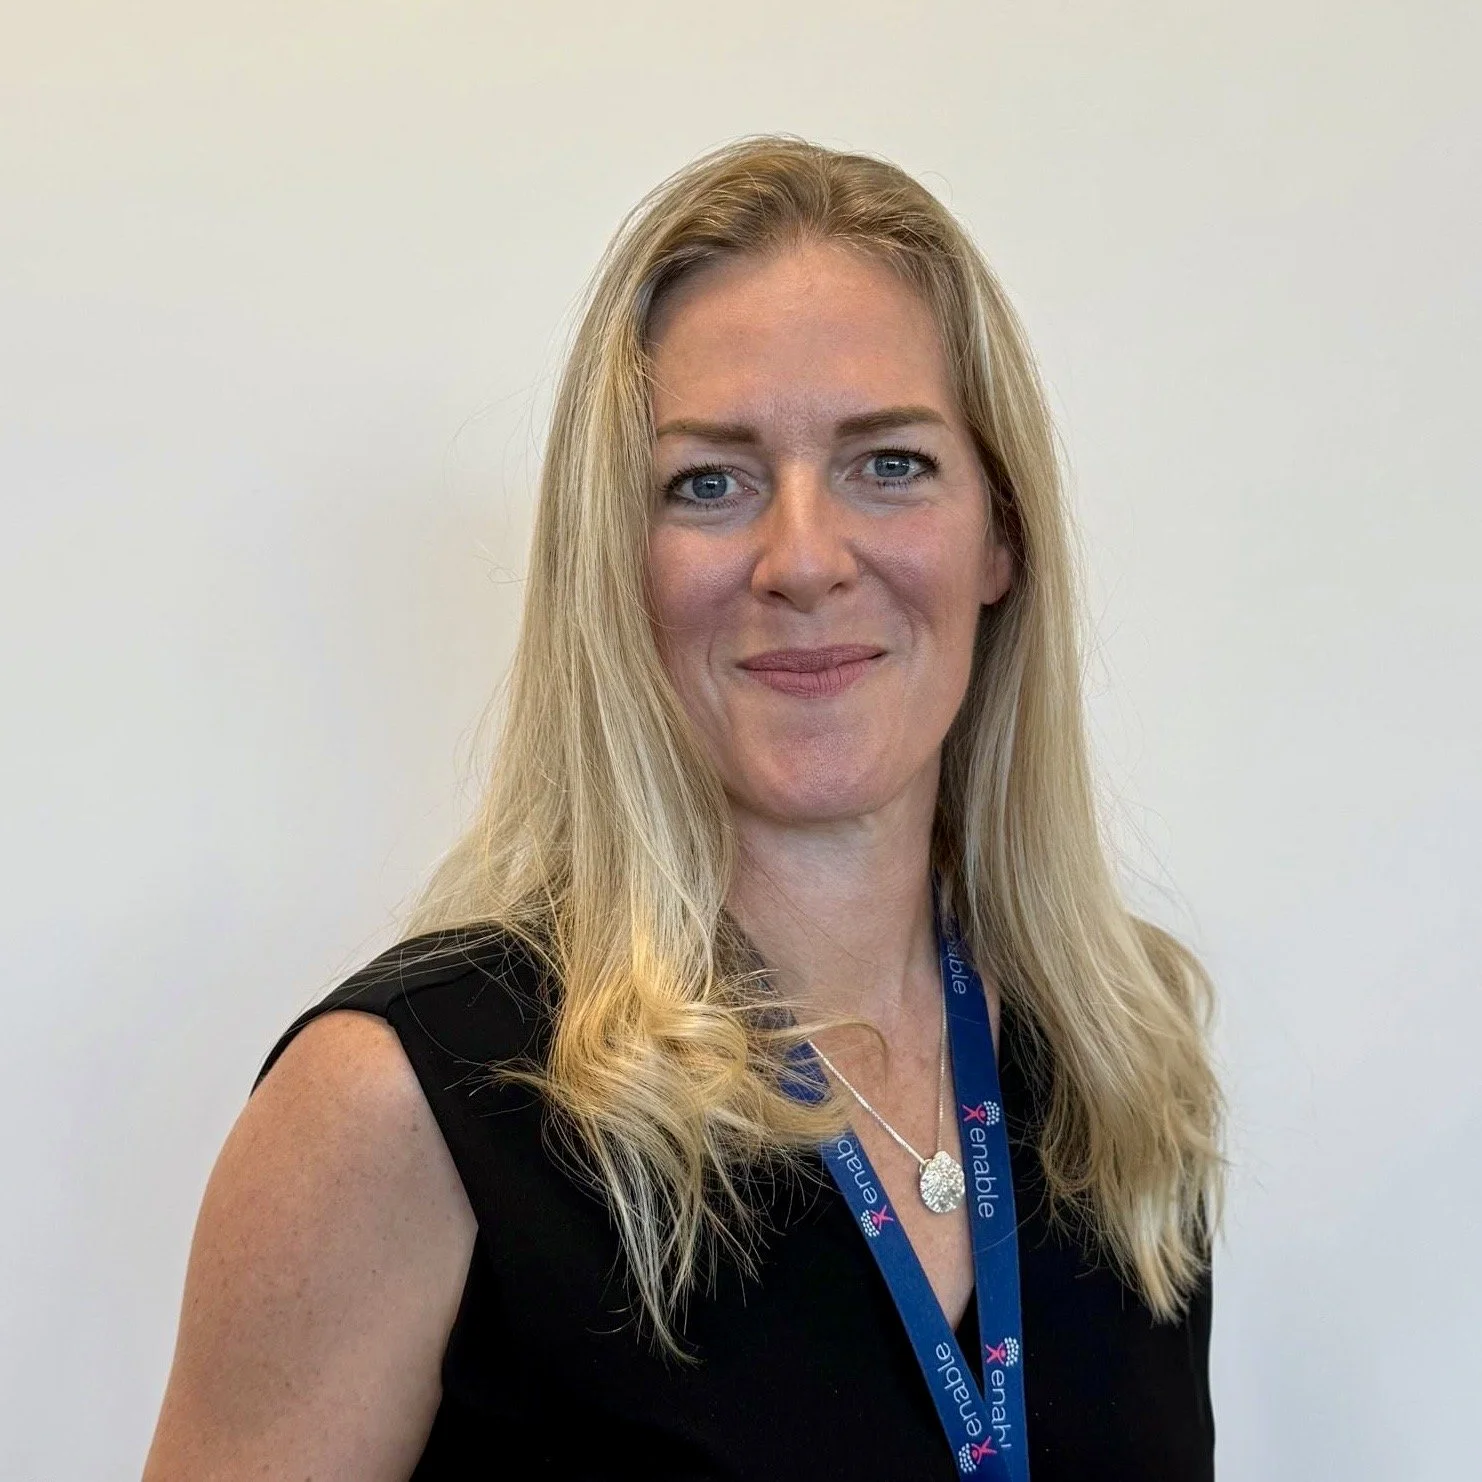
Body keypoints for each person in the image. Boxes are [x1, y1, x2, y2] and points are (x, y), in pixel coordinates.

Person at [143, 136, 1223, 1481]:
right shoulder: (401, 1106)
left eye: (888, 462)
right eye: (707, 482)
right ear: (616, 560)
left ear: (998, 534)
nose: (805, 558)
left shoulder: (1114, 1078)